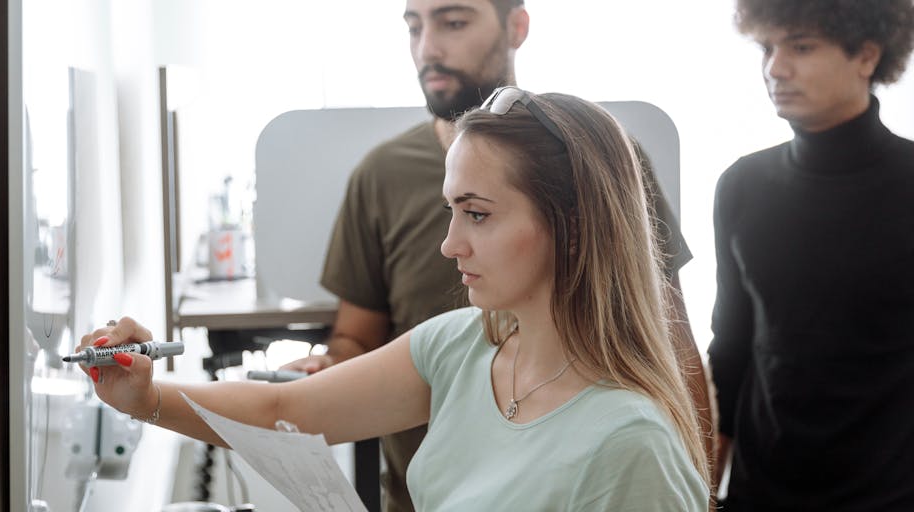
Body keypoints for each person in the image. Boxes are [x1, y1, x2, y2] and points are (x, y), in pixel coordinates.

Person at [81, 88, 710, 510]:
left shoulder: (631, 445)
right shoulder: (462, 345)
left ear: (572, 225)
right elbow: (285, 406)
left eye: (478, 215)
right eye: (451, 211)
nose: (450, 244)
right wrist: (148, 395)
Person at [283, 1, 715, 508]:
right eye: (414, 27)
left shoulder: (591, 163)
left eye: (454, 22)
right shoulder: (382, 177)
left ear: (517, 25)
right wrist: (327, 370)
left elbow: (671, 344)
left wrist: (694, 489)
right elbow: (355, 337)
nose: (428, 48)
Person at [708, 1, 914, 509]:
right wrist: (705, 486)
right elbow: (730, 349)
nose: (775, 68)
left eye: (800, 46)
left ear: (867, 55)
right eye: (767, 47)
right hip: (759, 493)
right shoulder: (742, 185)